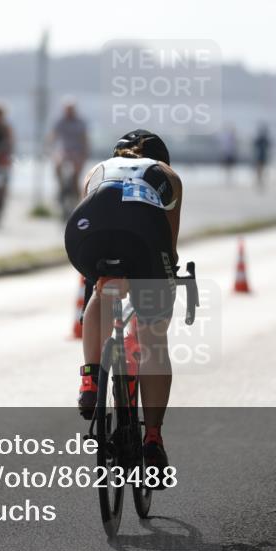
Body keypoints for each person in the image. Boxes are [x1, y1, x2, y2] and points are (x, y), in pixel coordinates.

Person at [64, 129, 182, 481]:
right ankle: (152, 438)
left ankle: (90, 380)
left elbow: (96, 209)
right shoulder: (167, 175)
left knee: (102, 292)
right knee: (153, 339)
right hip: (142, 234)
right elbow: (168, 246)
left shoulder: (98, 168)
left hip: (86, 233)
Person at [48, 100, 90, 217]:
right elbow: (53, 136)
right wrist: (50, 148)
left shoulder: (80, 122)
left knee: (76, 175)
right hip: (64, 150)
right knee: (58, 164)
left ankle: (76, 198)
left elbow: (84, 139)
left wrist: (84, 154)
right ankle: (61, 186)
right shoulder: (60, 121)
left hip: (77, 151)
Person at [252, 122, 272, 190]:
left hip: (262, 155)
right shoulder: (262, 139)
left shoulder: (262, 139)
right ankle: (259, 180)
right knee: (260, 168)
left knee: (261, 168)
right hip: (261, 155)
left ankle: (260, 180)